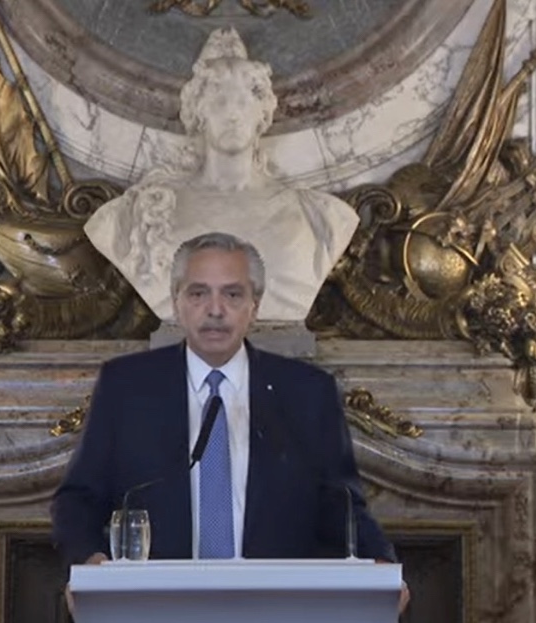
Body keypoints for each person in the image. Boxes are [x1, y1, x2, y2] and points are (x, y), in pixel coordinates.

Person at [51, 231, 409, 612]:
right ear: (176, 302)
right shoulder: (126, 386)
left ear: (255, 306)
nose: (215, 309)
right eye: (198, 293)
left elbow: (344, 508)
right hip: (157, 605)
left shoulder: (306, 392)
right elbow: (77, 500)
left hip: (277, 606)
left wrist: (382, 566)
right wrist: (89, 563)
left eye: (233, 294)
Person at [82, 28, 360, 322]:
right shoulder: (143, 211)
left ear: (262, 115)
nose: (232, 115)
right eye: (219, 102)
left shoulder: (320, 216)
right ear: (198, 113)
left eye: (242, 102)